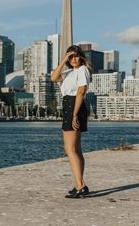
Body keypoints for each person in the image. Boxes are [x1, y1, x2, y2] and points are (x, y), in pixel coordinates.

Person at [51, 45, 92, 198]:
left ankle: (81, 185)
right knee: (76, 149)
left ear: (81, 57)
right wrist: (63, 60)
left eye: (76, 56)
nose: (74, 59)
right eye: (71, 57)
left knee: (70, 149)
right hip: (70, 105)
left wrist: (74, 114)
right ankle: (78, 184)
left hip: (74, 106)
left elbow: (81, 91)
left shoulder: (83, 70)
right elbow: (53, 78)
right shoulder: (68, 72)